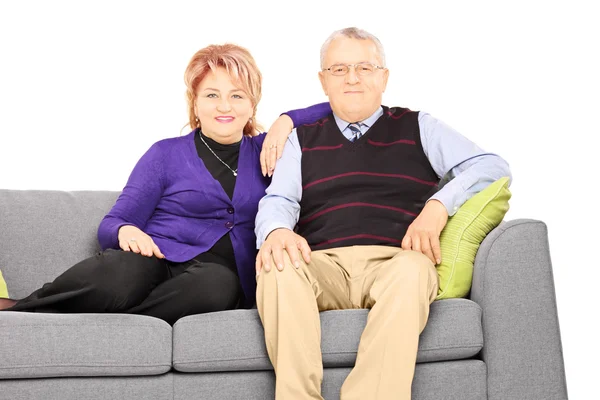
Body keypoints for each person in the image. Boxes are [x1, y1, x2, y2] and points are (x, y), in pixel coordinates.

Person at [254, 27, 512, 399]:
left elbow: (492, 166)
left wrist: (439, 206)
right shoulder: (302, 139)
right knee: (276, 265)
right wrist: (276, 230)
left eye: (365, 67)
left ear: (384, 77)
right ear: (323, 81)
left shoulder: (419, 126)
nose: (353, 78)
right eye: (339, 70)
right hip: (322, 264)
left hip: (395, 262)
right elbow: (279, 200)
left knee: (413, 268)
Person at [0, 43, 331, 325]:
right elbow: (112, 223)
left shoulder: (269, 152)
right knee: (123, 274)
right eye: (212, 94)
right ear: (196, 103)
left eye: (237, 95)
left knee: (216, 284)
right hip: (153, 260)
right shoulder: (165, 154)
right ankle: (20, 310)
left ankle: (118, 324)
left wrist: (286, 120)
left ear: (252, 104)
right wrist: (125, 232)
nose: (225, 106)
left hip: (213, 279)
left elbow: (339, 109)